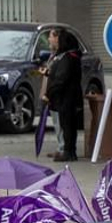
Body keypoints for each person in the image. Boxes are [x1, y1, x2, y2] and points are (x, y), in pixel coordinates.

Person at [42, 28, 84, 162]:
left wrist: (50, 93)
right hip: (65, 97)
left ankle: (68, 151)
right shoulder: (67, 57)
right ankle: (68, 151)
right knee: (66, 125)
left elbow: (61, 79)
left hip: (67, 98)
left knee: (67, 125)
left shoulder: (68, 58)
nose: (51, 40)